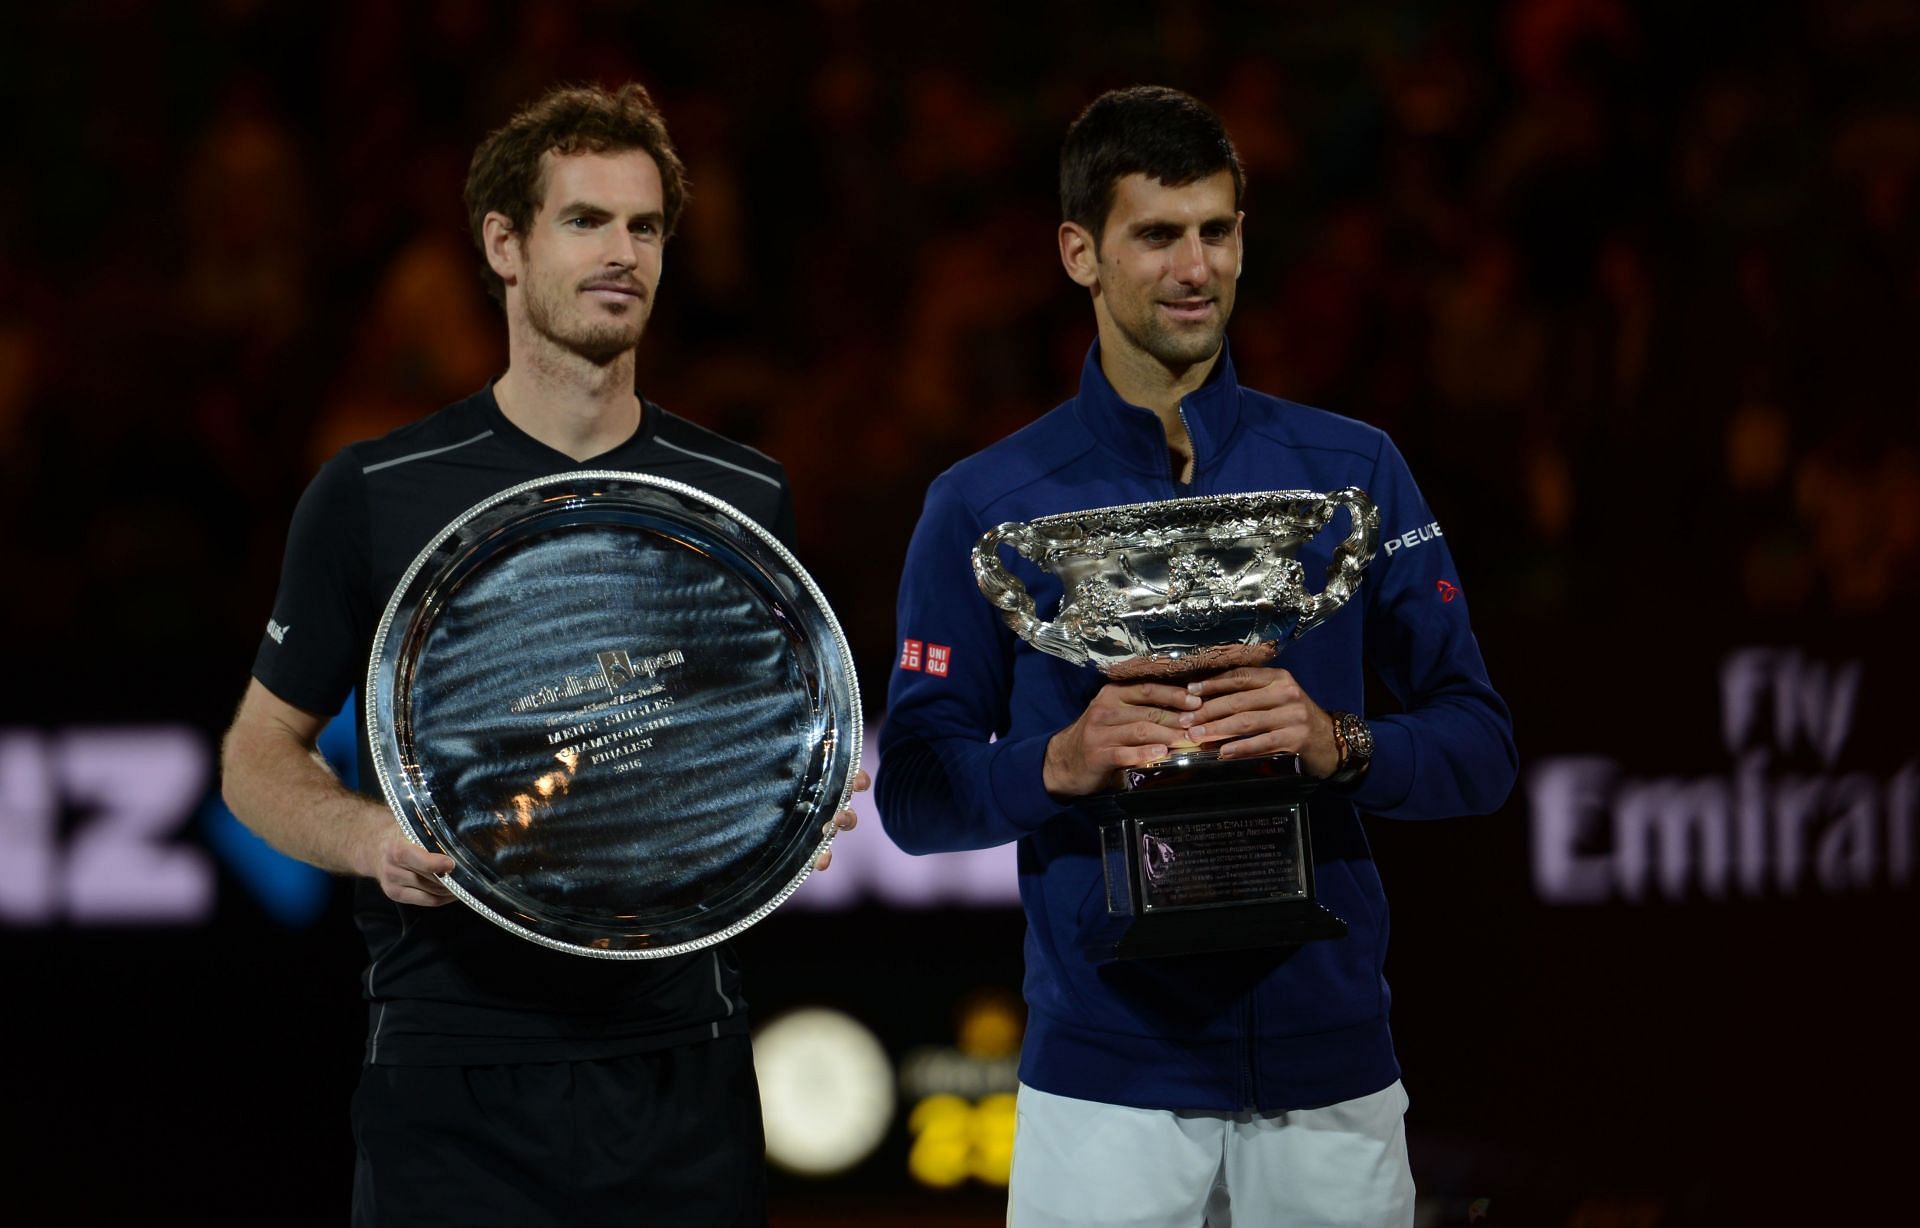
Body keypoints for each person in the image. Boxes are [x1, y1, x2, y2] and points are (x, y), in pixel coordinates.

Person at [220, 82, 861, 1228]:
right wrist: (372, 836)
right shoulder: (374, 492)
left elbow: (750, 739)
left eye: (646, 226)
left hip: (683, 1058)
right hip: (453, 1067)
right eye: (586, 221)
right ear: (504, 245)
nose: (623, 252)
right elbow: (255, 758)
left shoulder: (742, 496)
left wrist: (787, 804)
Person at [875, 86, 1516, 1228]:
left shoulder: (1352, 470)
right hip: (1106, 1076)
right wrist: (1060, 762)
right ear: (1079, 251)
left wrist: (1335, 741)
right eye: (1157, 234)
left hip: (1327, 1066)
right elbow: (916, 794)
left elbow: (1481, 746)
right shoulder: (983, 505)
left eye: (1217, 231)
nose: (1195, 266)